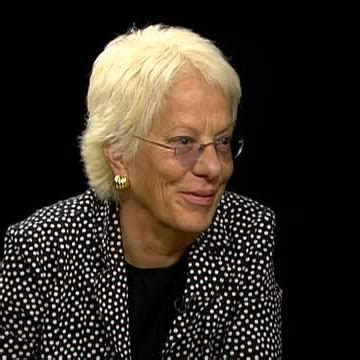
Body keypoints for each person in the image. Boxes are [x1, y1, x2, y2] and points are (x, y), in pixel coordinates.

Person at [0, 24, 282, 359]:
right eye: (184, 142)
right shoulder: (40, 248)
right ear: (118, 155)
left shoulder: (248, 234)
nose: (214, 168)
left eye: (221, 141)